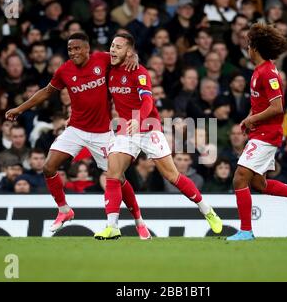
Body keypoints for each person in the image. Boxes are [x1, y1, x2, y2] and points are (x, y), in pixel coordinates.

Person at [6, 32, 147, 237]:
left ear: (88, 49)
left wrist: (133, 57)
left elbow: (124, 54)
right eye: (70, 49)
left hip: (102, 133)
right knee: (48, 167)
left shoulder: (103, 58)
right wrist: (20, 109)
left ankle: (138, 220)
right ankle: (64, 210)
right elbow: (46, 91)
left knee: (118, 178)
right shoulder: (64, 70)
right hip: (76, 129)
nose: (73, 52)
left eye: (77, 48)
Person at [94, 33, 223, 240]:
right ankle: (112, 227)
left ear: (129, 51)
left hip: (149, 127)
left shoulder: (139, 71)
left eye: (118, 47)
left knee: (172, 177)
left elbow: (147, 101)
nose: (113, 50)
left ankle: (206, 209)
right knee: (113, 175)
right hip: (126, 130)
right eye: (112, 45)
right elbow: (95, 58)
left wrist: (139, 119)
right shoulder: (108, 66)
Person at [227, 23, 287, 242]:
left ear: (255, 47)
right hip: (261, 132)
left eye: (248, 45)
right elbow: (261, 103)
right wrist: (250, 118)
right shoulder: (259, 71)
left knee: (239, 179)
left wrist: (251, 119)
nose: (247, 49)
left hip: (268, 134)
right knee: (259, 184)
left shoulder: (268, 72)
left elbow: (277, 107)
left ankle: (246, 231)